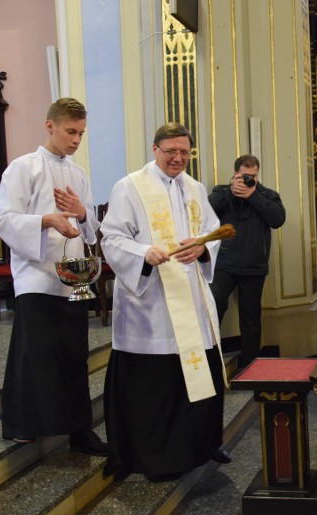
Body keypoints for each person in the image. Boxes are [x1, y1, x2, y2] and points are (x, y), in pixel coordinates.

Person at [101, 122, 229, 481]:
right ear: (154, 149)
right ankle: (155, 456)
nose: (178, 158)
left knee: (200, 374)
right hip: (151, 305)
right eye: (171, 151)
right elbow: (110, 238)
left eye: (184, 152)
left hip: (191, 297)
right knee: (158, 384)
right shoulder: (129, 187)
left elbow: (212, 230)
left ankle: (204, 445)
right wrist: (143, 252)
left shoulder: (195, 188)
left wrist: (204, 248)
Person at [0, 97, 107, 456]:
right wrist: (47, 220)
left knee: (75, 354)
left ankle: (79, 431)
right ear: (50, 126)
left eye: (81, 133)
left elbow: (92, 232)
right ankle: (23, 425)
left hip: (73, 276)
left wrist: (82, 214)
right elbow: (4, 220)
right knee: (36, 354)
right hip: (37, 276)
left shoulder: (78, 174)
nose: (76, 140)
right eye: (70, 131)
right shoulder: (23, 168)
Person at [208, 155, 286, 370]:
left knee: (251, 318)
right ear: (235, 174)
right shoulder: (221, 191)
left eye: (252, 176)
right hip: (224, 263)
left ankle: (249, 365)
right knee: (214, 304)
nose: (249, 180)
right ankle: (210, 356)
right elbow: (206, 212)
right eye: (244, 176)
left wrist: (253, 196)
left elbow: (277, 220)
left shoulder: (268, 195)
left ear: (258, 174)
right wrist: (229, 191)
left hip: (254, 265)